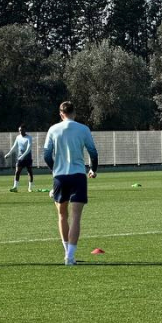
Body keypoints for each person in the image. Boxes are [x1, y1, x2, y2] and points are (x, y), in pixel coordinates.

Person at [43, 101, 99, 266]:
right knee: (76, 217)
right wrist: (92, 169)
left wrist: (55, 170)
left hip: (60, 177)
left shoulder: (53, 129)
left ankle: (66, 251)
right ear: (74, 113)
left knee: (62, 216)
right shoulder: (83, 129)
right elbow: (93, 153)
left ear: (61, 114)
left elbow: (46, 155)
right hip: (77, 176)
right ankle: (70, 257)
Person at [5, 126, 34, 193]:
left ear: (25, 130)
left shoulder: (29, 138)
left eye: (22, 130)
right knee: (17, 171)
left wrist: (23, 156)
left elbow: (29, 148)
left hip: (28, 158)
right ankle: (15, 187)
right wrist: (8, 154)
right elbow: (14, 146)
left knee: (30, 172)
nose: (20, 131)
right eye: (19, 130)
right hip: (20, 158)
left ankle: (30, 188)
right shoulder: (18, 137)